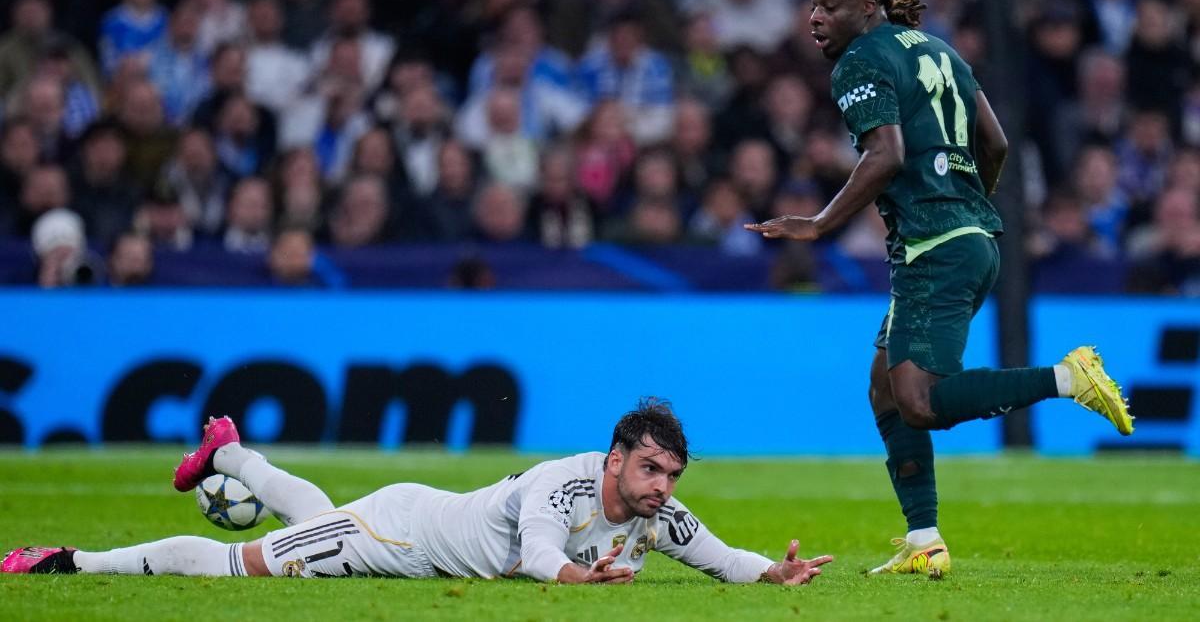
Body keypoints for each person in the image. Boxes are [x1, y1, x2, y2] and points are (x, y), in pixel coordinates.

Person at [743, 0, 1134, 578]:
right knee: (884, 388)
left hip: (935, 246)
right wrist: (970, 199)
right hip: (966, 237)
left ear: (867, 7)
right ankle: (924, 538)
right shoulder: (938, 47)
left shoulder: (861, 59)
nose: (816, 17)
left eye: (829, 5)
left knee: (919, 402)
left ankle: (1068, 378)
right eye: (812, 5)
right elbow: (996, 143)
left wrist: (817, 224)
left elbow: (886, 153)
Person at [3, 400, 832, 586]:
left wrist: (771, 573)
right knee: (238, 564)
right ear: (616, 459)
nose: (662, 488)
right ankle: (71, 559)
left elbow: (720, 555)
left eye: (671, 476)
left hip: (413, 514)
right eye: (650, 469)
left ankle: (235, 455)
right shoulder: (560, 481)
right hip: (396, 535)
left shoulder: (658, 513)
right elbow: (543, 554)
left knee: (311, 515)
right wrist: (585, 579)